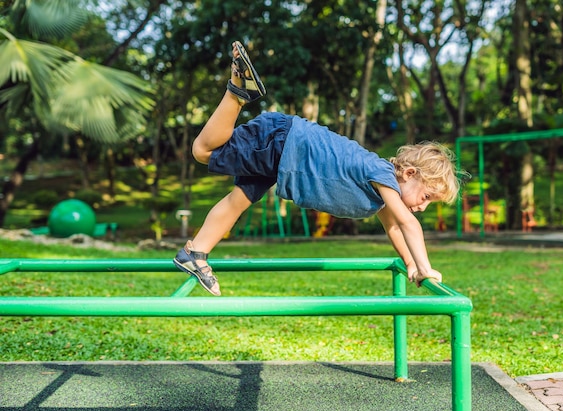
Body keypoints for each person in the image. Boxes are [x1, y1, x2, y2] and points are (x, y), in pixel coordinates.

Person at [174, 41, 466, 296]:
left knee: (238, 200)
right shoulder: (383, 176)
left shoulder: (382, 190)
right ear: (410, 173)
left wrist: (412, 265)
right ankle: (238, 93)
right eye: (426, 197)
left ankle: (195, 253)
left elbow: (393, 227)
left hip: (282, 158)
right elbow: (407, 224)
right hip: (281, 142)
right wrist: (427, 268)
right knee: (202, 151)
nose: (422, 207)